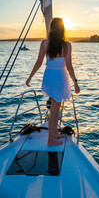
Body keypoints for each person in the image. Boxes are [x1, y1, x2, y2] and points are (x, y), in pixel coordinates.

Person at [26, 18, 80, 146]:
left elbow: (39, 62)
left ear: (51, 29)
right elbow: (69, 66)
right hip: (60, 77)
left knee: (56, 107)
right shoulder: (67, 45)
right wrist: (75, 82)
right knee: (55, 110)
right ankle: (50, 140)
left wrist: (30, 77)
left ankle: (54, 133)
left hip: (49, 76)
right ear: (63, 29)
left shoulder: (45, 43)